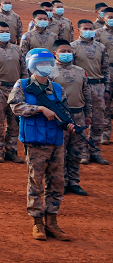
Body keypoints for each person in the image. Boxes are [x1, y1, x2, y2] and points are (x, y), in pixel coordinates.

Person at [10, 48, 77, 241]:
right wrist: (38, 108)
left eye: (48, 63)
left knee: (57, 182)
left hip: (56, 140)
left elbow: (65, 112)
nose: (45, 67)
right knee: (36, 180)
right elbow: (15, 106)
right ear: (32, 65)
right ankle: (37, 222)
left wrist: (70, 124)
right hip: (36, 141)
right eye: (41, 64)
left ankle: (52, 221)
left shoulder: (57, 89)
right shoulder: (22, 85)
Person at [49, 41, 93, 194]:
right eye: (63, 51)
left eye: (69, 51)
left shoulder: (80, 71)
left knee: (76, 151)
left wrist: (88, 115)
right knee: (59, 152)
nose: (67, 53)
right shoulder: (50, 72)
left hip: (79, 115)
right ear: (55, 53)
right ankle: (59, 182)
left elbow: (87, 93)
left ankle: (73, 182)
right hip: (60, 118)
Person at [68, 19, 109, 165]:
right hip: (80, 88)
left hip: (98, 87)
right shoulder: (72, 47)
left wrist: (107, 88)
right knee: (81, 120)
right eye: (85, 28)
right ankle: (83, 153)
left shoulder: (101, 47)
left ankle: (95, 152)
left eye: (91, 28)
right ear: (79, 30)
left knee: (98, 122)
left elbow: (105, 69)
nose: (88, 30)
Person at [0, 22, 26, 164]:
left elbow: (24, 69)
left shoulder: (17, 50)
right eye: (2, 31)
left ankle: (11, 151)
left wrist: (24, 87)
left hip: (15, 89)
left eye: (7, 31)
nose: (5, 33)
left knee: (14, 122)